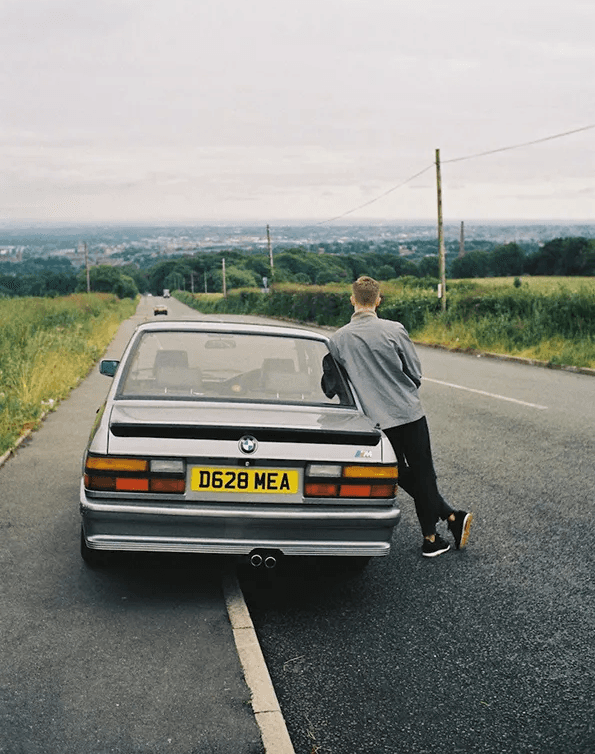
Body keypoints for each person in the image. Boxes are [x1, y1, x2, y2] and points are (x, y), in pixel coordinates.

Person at [324, 276, 472, 557]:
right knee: (424, 474)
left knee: (395, 472)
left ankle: (447, 523)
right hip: (409, 413)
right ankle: (435, 534)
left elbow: (335, 387)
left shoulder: (338, 340)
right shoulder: (395, 330)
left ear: (352, 300)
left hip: (376, 421)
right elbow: (415, 373)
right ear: (378, 300)